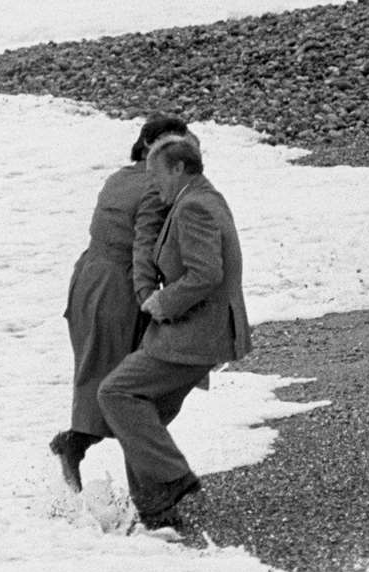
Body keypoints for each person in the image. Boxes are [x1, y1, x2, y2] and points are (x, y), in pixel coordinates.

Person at [98, 134, 250, 531]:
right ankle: (155, 513)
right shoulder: (201, 197)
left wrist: (163, 304)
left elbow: (206, 274)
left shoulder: (194, 206)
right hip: (203, 331)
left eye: (156, 174)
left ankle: (171, 479)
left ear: (179, 168)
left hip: (195, 334)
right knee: (145, 415)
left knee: (116, 393)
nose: (153, 184)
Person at [49, 114, 196, 492]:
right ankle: (151, 491)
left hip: (87, 280)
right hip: (118, 287)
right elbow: (144, 250)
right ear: (151, 146)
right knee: (133, 389)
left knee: (100, 376)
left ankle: (81, 447)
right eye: (172, 142)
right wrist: (155, 298)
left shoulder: (118, 178)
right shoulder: (154, 187)